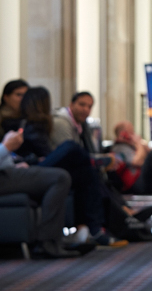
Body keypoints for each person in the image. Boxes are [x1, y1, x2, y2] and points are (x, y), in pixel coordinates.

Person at [17, 86, 123, 248]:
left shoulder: (41, 123)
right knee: (71, 147)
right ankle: (92, 161)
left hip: (38, 165)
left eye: (89, 106)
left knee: (87, 173)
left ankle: (95, 229)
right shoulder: (31, 124)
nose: (86, 110)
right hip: (30, 168)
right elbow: (40, 152)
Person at [0, 129, 83, 258]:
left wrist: (13, 163)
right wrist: (6, 147)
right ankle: (48, 242)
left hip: (7, 170)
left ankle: (53, 240)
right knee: (60, 178)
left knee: (67, 171)